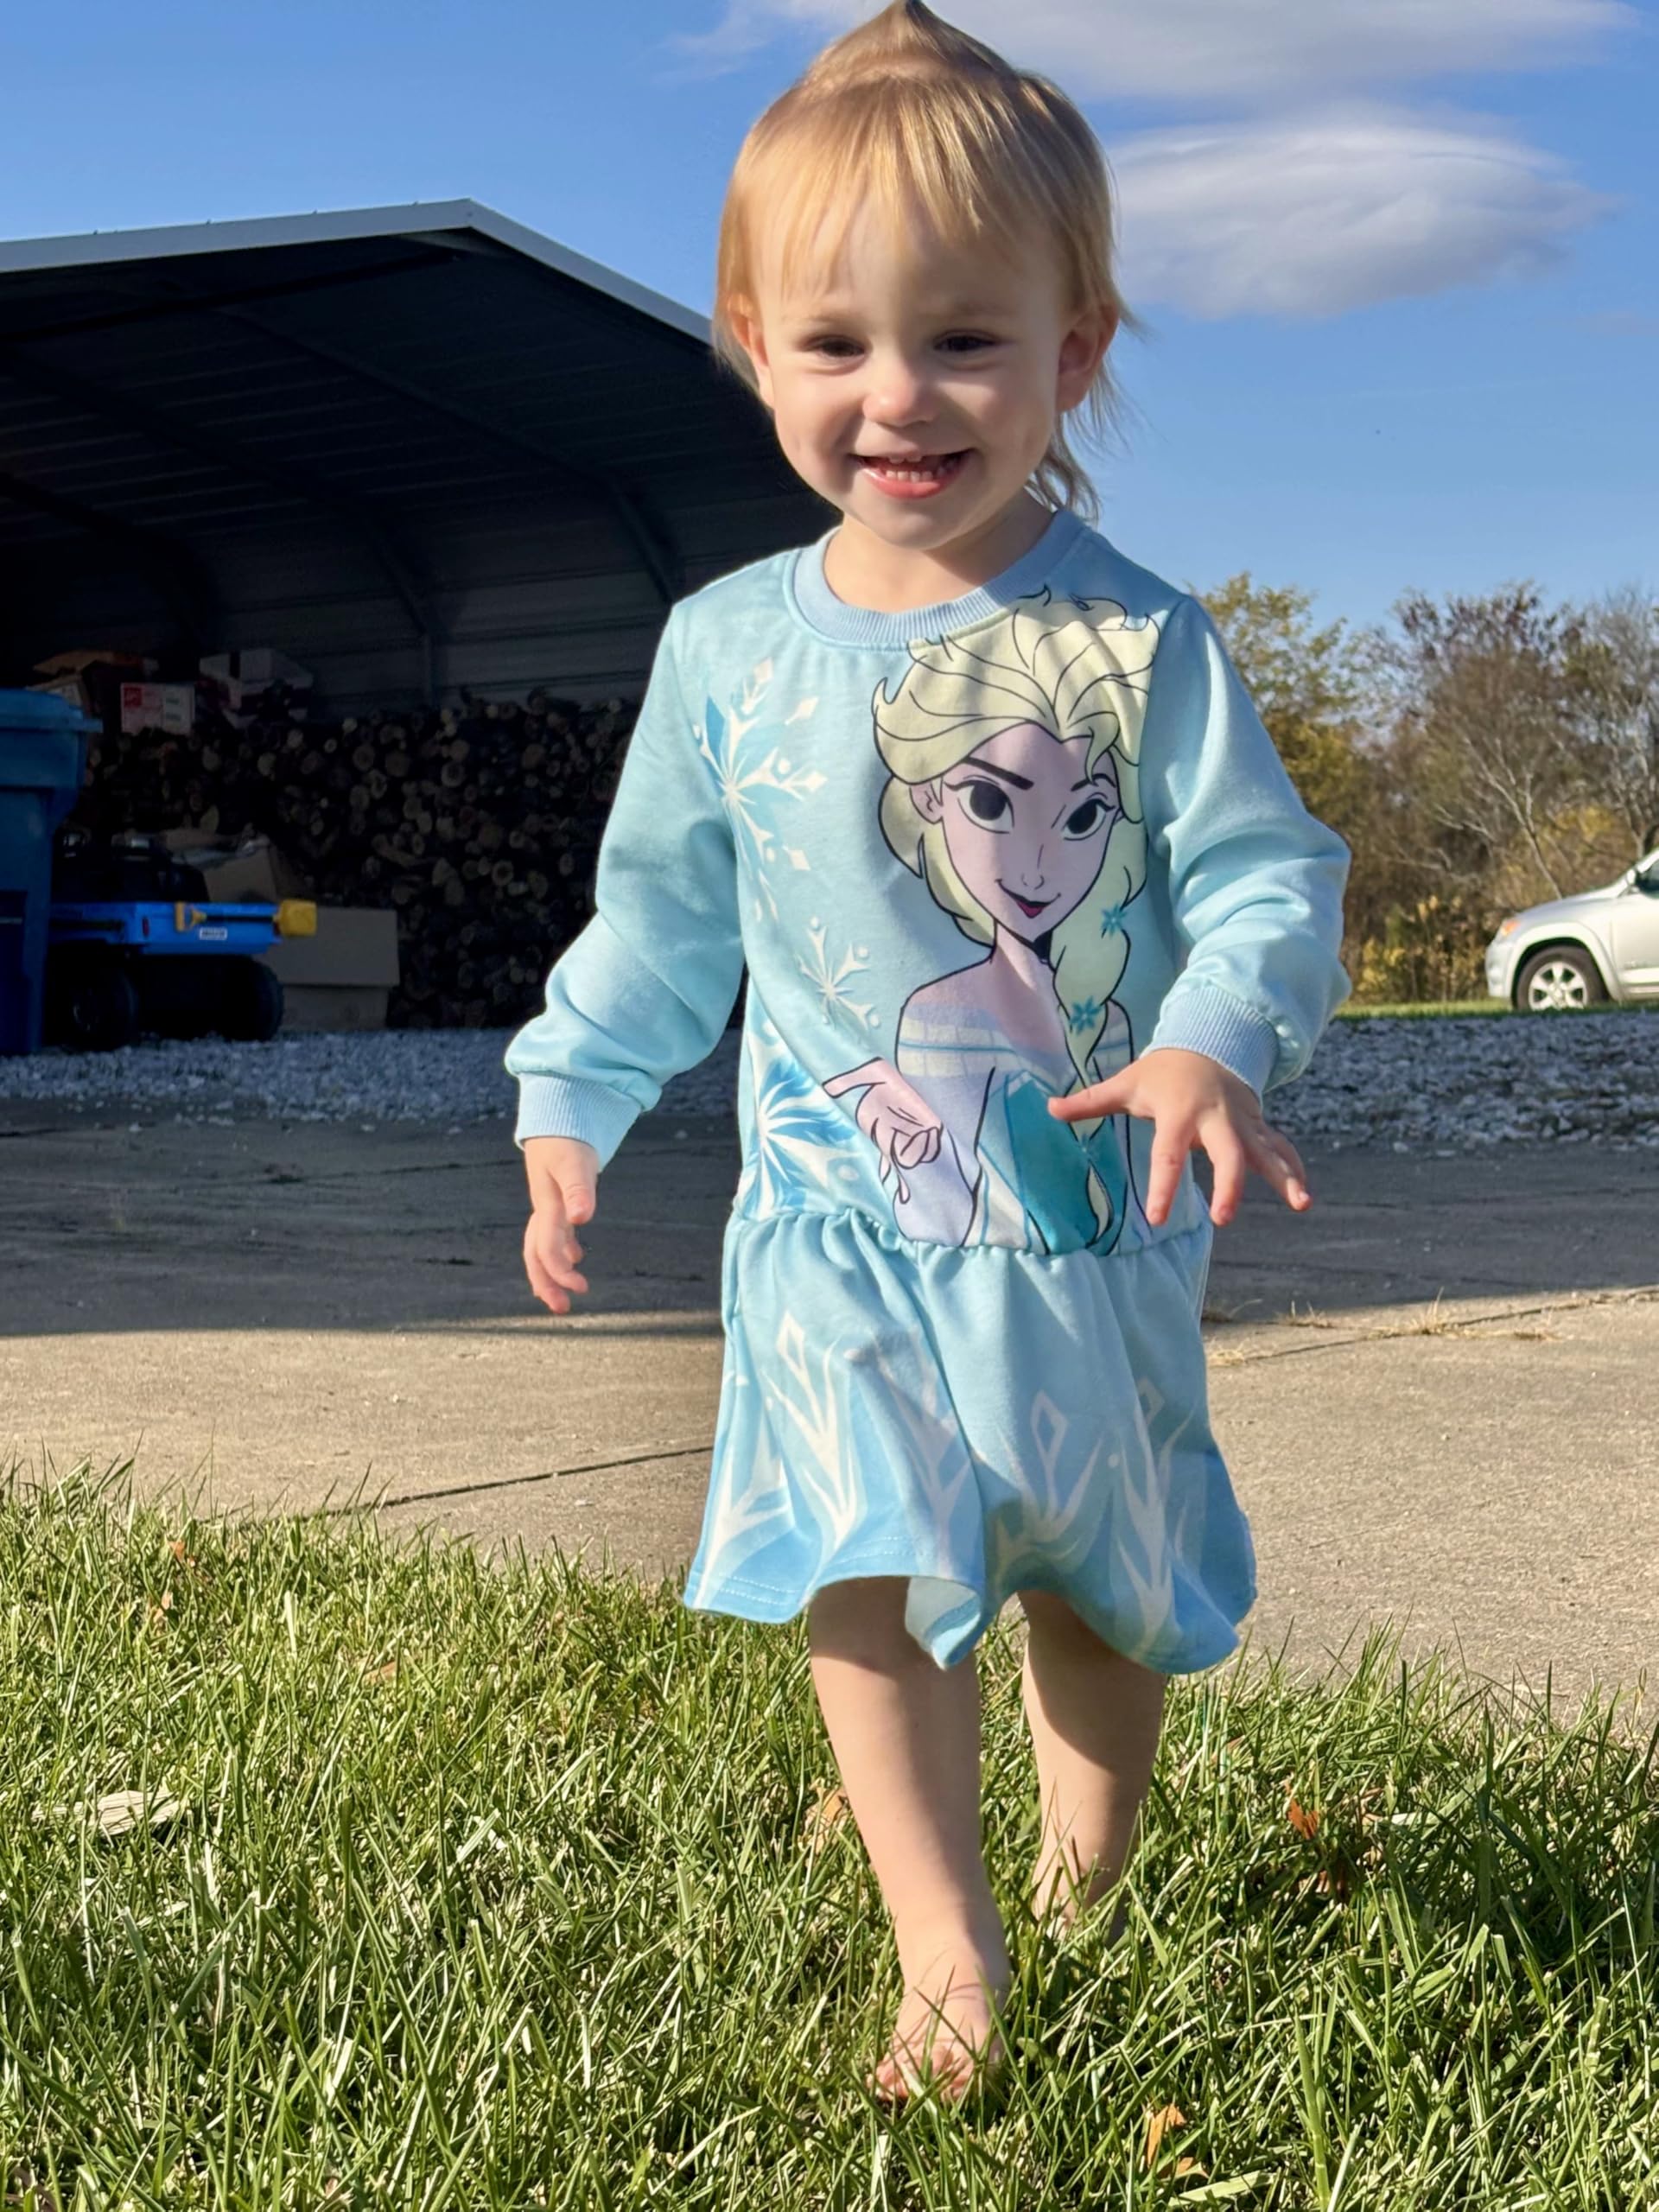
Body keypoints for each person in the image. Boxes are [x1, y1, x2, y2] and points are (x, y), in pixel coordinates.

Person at [504, 0, 1351, 2106]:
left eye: (965, 339)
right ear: (752, 343)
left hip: (1086, 1229)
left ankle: (1084, 1879)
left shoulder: (1137, 639)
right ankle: (945, 1943)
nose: (898, 394)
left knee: (1093, 1585)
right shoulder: (726, 649)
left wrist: (1216, 1037)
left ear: (1076, 348)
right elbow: (664, 917)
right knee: (866, 1558)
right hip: (836, 1230)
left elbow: (1270, 873)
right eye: (838, 341)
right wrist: (573, 1090)